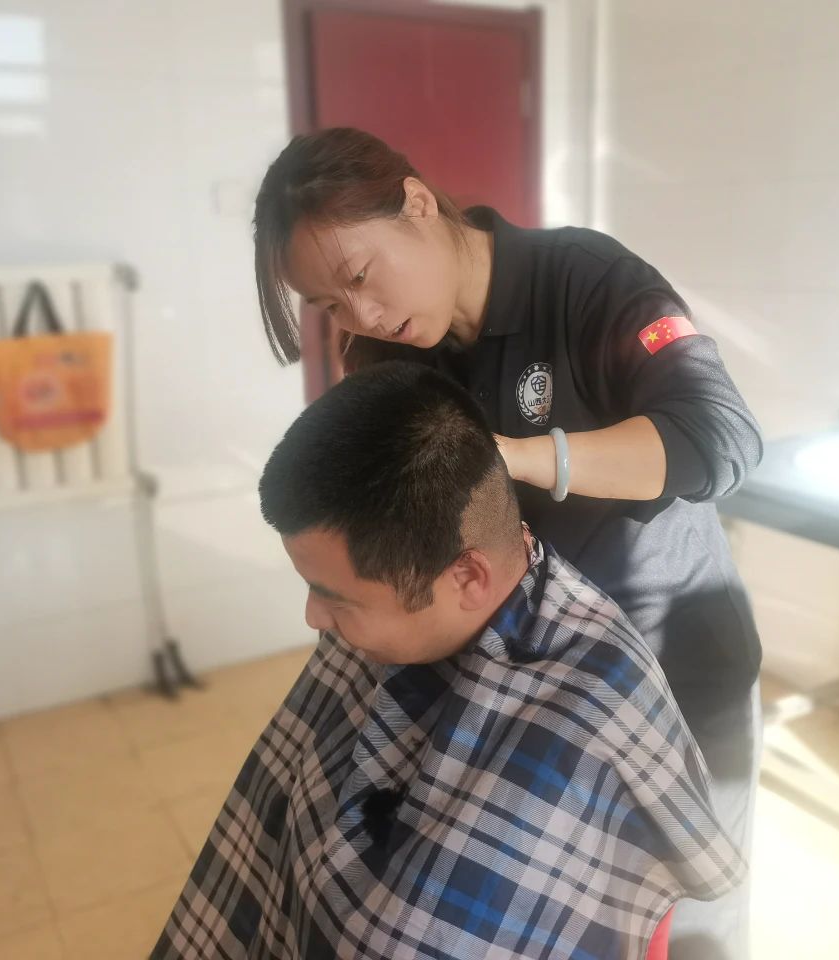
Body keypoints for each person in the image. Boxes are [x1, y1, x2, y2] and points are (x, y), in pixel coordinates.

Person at [251, 128, 764, 958]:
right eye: (330, 306)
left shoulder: (585, 281)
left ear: (419, 203)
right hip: (532, 685)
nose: (361, 317)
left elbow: (722, 438)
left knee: (686, 924)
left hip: (670, 663)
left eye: (361, 277)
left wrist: (519, 458)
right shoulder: (380, 356)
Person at [151, 362, 743, 960]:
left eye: (335, 597)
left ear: (467, 577)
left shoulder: (586, 726)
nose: (313, 617)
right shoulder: (385, 617)